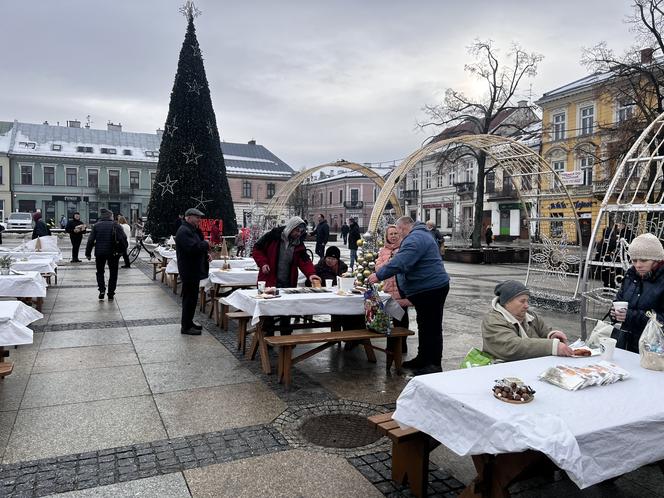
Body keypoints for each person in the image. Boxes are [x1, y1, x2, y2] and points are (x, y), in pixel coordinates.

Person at [367, 216, 450, 375]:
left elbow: (401, 261)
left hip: (431, 288)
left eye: (399, 231)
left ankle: (433, 364)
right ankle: (423, 358)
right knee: (424, 325)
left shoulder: (415, 238)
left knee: (431, 327)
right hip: (426, 288)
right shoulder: (420, 235)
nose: (398, 235)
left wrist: (379, 275)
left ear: (404, 227)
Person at [252, 216, 321, 335]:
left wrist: (311, 274)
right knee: (268, 311)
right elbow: (257, 249)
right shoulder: (273, 236)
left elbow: (305, 261)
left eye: (301, 231)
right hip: (269, 280)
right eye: (296, 230)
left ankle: (285, 339)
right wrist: (263, 263)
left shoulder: (298, 244)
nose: (298, 234)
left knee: (287, 311)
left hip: (287, 282)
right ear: (290, 228)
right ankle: (268, 339)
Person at [482, 280, 573, 361]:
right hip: (500, 369)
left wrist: (552, 335)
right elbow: (511, 347)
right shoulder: (492, 320)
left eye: (527, 301)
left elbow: (544, 331)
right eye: (522, 301)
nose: (526, 305)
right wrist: (553, 346)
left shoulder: (530, 316)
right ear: (507, 302)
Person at [610, 233, 664, 353]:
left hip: (653, 350)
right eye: (634, 260)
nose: (638, 265)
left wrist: (630, 316)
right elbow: (618, 301)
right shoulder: (631, 275)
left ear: (657, 260)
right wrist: (614, 313)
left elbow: (661, 319)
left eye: (644, 260)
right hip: (624, 345)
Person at [376, 224, 412, 352]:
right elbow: (378, 269)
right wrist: (390, 261)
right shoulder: (383, 251)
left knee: (402, 319)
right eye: (390, 234)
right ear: (386, 236)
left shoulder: (404, 248)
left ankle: (402, 345)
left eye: (395, 233)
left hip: (402, 290)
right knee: (390, 321)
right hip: (389, 290)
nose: (393, 236)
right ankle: (391, 345)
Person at [175, 208, 210, 335]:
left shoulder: (192, 230)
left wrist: (206, 254)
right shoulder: (184, 231)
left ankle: (189, 322)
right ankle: (185, 326)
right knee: (189, 299)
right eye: (197, 217)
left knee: (192, 299)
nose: (199, 220)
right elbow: (192, 248)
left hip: (193, 269)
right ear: (188, 217)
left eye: (200, 217)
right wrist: (206, 244)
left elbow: (197, 246)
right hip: (188, 270)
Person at [85, 208, 127, 301]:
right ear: (110, 216)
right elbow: (123, 239)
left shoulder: (96, 226)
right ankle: (111, 293)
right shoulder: (116, 225)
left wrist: (88, 253)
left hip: (99, 253)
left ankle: (102, 290)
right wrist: (122, 251)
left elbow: (90, 240)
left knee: (100, 272)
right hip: (113, 253)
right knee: (113, 273)